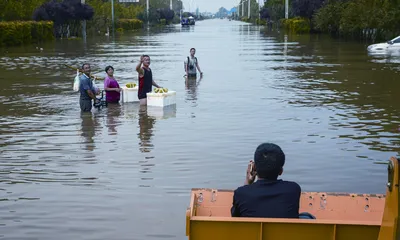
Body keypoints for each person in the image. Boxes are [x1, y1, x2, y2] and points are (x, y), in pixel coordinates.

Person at [231, 143, 302, 219]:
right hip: (286, 230)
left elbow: (235, 218)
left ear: (254, 167)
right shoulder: (293, 189)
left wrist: (247, 183)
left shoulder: (241, 193)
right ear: (281, 171)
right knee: (307, 216)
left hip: (252, 231)